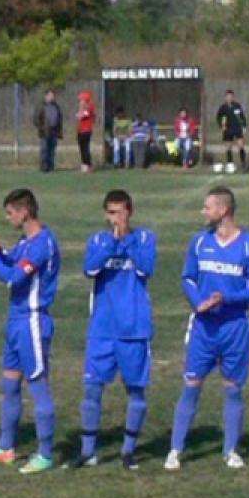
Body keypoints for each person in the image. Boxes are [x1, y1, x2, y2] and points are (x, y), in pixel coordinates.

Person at [165, 186, 249, 470]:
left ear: (223, 209)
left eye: (207, 207)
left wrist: (227, 298)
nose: (203, 212)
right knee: (191, 385)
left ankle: (231, 450)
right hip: (203, 328)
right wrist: (199, 302)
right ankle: (175, 450)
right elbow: (188, 277)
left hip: (235, 328)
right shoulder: (199, 241)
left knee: (232, 387)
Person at [0, 189, 61, 474]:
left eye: (10, 213)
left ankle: (45, 454)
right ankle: (5, 447)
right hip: (16, 321)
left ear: (25, 212)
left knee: (38, 386)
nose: (8, 218)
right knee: (9, 384)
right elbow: (12, 260)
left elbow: (14, 278)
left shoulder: (42, 244)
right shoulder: (25, 242)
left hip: (32, 322)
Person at [67, 190, 157, 471]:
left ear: (130, 212)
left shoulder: (145, 238)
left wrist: (125, 241)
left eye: (119, 212)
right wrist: (111, 245)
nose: (115, 218)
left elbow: (146, 268)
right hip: (102, 329)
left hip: (134, 329)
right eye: (110, 212)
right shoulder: (98, 240)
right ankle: (88, 451)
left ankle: (128, 450)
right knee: (92, 389)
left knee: (136, 391)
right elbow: (90, 269)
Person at [216, 90, 248, 172]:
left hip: (237, 128)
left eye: (231, 96)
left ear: (233, 97)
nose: (229, 98)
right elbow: (218, 117)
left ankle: (243, 164)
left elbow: (242, 116)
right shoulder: (223, 107)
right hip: (227, 129)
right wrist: (221, 126)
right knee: (228, 147)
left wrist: (244, 126)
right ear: (225, 97)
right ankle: (230, 165)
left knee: (241, 145)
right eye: (228, 96)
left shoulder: (237, 106)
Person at [34, 89, 63, 173]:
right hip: (45, 132)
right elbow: (36, 119)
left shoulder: (56, 106)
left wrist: (59, 130)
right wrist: (42, 128)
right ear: (46, 96)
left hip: (54, 131)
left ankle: (51, 167)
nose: (52, 97)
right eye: (50, 95)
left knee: (52, 150)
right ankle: (44, 167)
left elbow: (59, 118)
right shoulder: (41, 106)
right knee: (44, 150)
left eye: (53, 96)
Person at [76, 91, 96, 173]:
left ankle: (88, 165)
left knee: (85, 148)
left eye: (81, 100)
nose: (80, 102)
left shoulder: (89, 107)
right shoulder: (85, 108)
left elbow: (80, 116)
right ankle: (84, 165)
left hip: (86, 131)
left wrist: (81, 109)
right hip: (80, 131)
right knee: (82, 148)